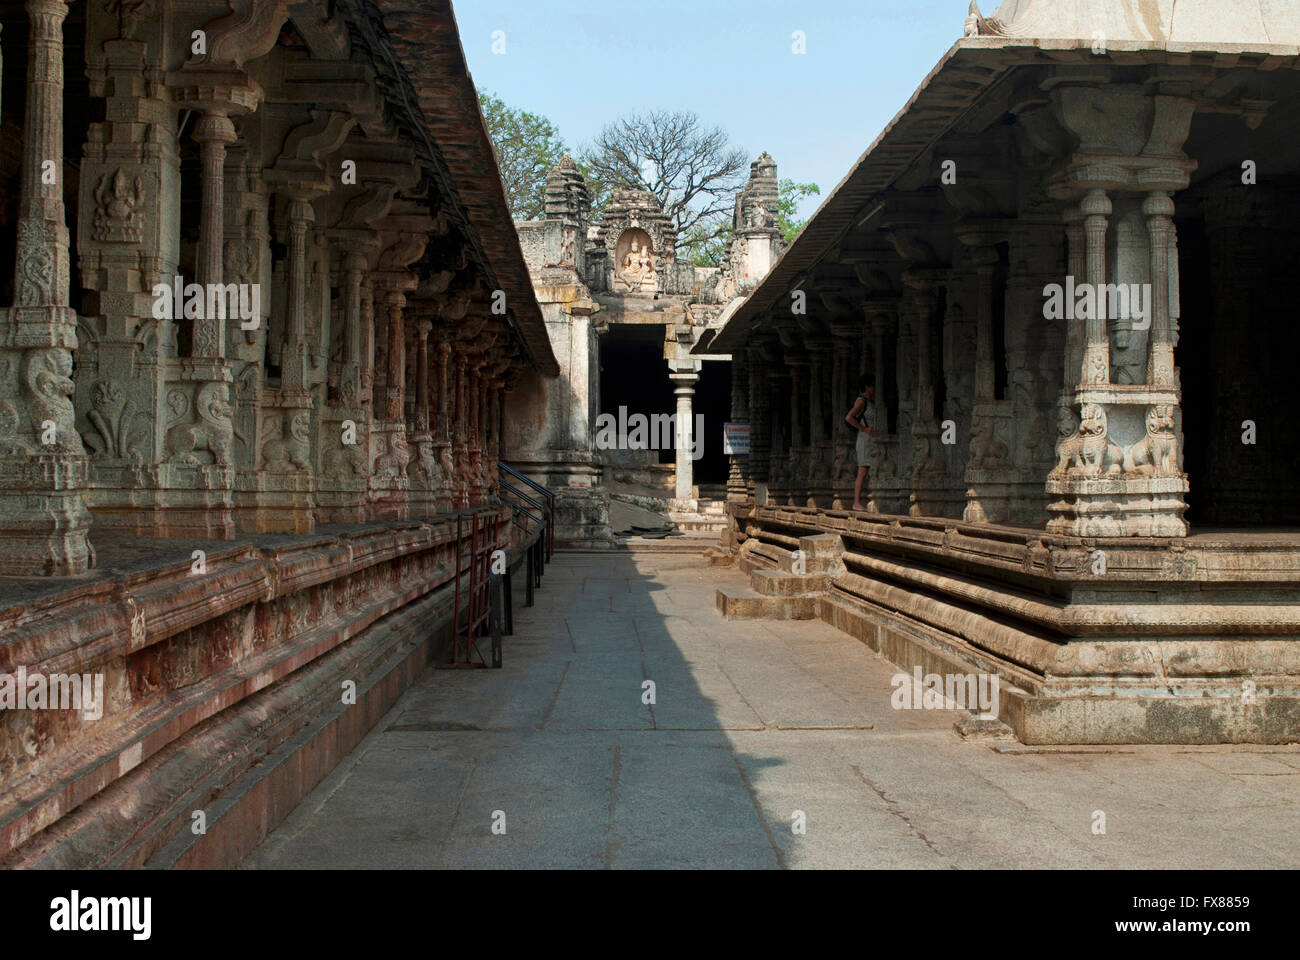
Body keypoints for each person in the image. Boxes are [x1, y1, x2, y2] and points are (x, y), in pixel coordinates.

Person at [844, 374, 876, 512]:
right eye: (873, 386)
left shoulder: (870, 402)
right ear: (868, 387)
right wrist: (863, 429)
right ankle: (856, 502)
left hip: (870, 439)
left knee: (867, 468)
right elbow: (849, 418)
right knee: (862, 470)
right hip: (864, 439)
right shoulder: (861, 401)